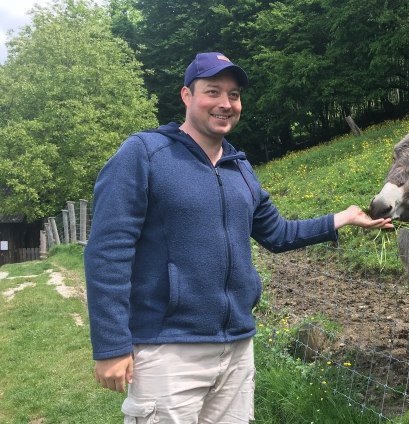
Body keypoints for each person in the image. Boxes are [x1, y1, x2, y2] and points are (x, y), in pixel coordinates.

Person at [84, 51, 392, 423]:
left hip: (237, 348)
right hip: (168, 349)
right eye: (213, 91)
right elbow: (107, 251)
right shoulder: (145, 154)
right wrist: (111, 345)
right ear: (187, 96)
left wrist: (341, 218)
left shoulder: (240, 168)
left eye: (234, 95)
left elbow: (277, 234)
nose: (225, 104)